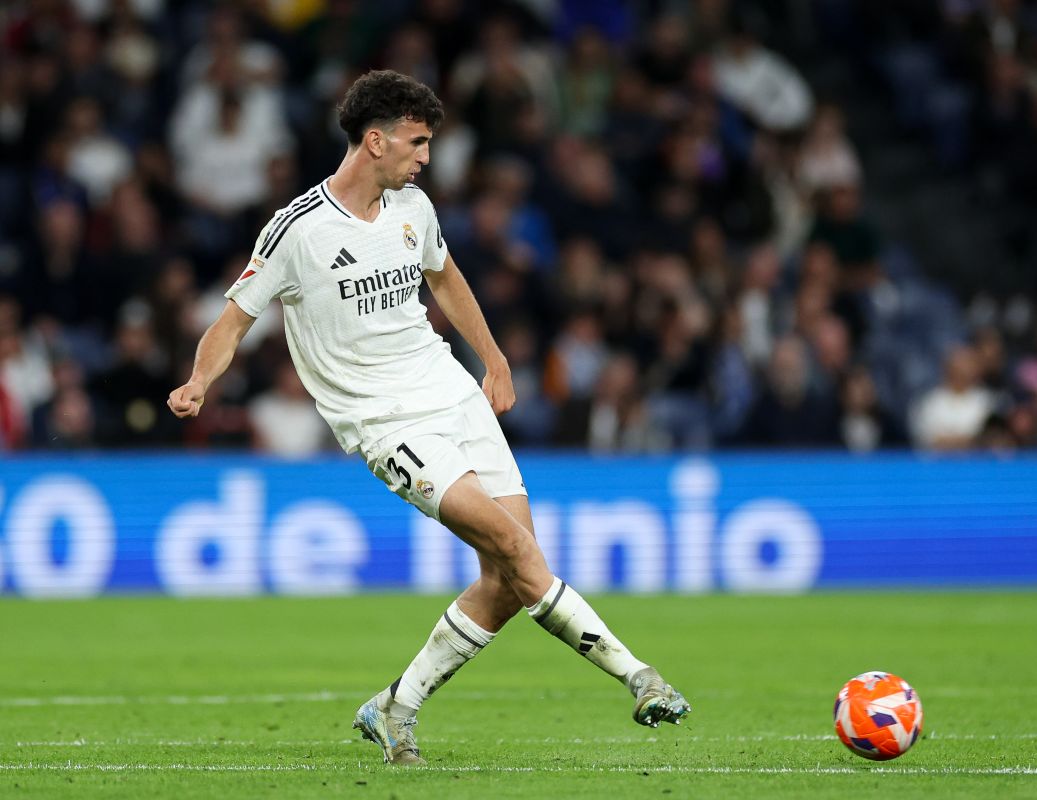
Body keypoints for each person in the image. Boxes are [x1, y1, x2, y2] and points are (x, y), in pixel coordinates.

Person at [167, 70, 689, 766]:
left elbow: (444, 276)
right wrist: (201, 379)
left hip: (451, 393)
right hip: (385, 423)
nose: (426, 156)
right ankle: (640, 679)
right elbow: (232, 321)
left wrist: (493, 360)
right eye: (416, 142)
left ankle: (395, 707)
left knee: (507, 580)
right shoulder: (297, 230)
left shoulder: (413, 207)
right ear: (374, 141)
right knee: (517, 549)